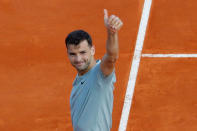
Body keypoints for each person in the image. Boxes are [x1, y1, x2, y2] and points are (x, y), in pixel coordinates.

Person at [65, 9, 123, 131]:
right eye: (73, 54)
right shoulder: (80, 77)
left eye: (82, 52)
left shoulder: (99, 75)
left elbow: (111, 57)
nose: (78, 59)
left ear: (92, 50)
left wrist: (112, 34)